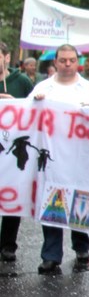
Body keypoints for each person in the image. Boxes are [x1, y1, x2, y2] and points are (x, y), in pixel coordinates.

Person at [31, 43, 89, 274]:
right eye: (63, 60)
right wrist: (36, 103)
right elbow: (28, 119)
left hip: (79, 159)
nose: (67, 64)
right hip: (52, 160)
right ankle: (51, 255)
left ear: (77, 62)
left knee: (80, 200)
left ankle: (81, 248)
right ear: (55, 62)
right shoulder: (43, 88)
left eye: (71, 60)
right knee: (51, 203)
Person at [0, 42, 34, 261]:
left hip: (12, 150)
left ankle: (7, 244)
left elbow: (36, 109)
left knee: (11, 193)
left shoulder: (21, 82)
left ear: (6, 57)